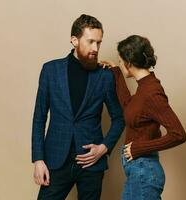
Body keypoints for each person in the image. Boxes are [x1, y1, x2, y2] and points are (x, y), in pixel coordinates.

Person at [31, 14, 125, 200]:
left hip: (92, 163)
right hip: (56, 160)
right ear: (74, 40)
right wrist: (38, 159)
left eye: (98, 43)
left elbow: (119, 118)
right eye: (90, 42)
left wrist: (104, 147)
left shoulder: (104, 76)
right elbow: (39, 117)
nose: (95, 48)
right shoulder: (50, 70)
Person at [100, 35, 186, 200]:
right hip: (137, 172)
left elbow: (179, 134)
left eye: (120, 61)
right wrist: (116, 72)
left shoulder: (151, 93)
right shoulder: (144, 88)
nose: (119, 64)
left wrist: (139, 148)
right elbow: (128, 106)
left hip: (144, 172)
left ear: (129, 62)